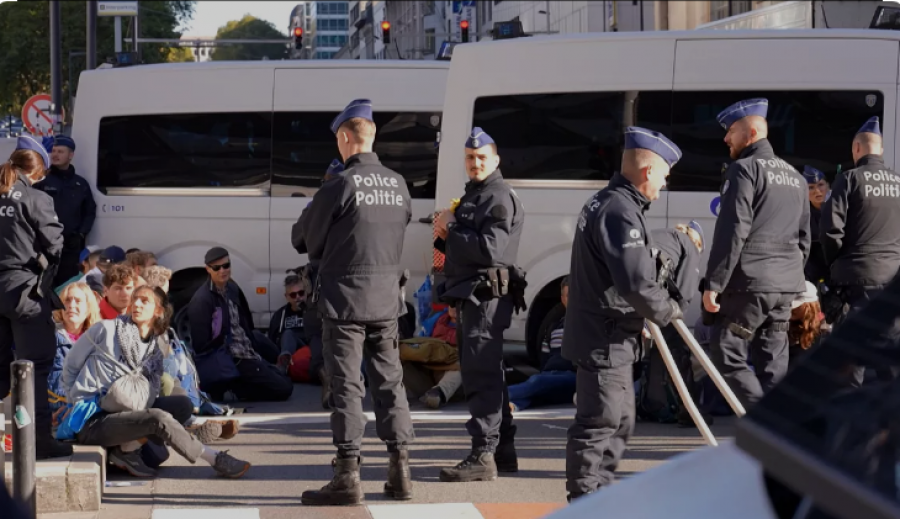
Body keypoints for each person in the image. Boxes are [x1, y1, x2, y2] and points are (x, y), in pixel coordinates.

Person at [292, 101, 414, 506]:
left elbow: (303, 238)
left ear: (346, 138)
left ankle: (347, 474)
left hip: (344, 302)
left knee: (347, 386)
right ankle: (400, 471)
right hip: (387, 302)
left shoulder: (341, 185)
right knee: (390, 385)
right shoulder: (398, 183)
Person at [562, 127, 684, 501]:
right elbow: (634, 283)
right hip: (604, 338)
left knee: (621, 421)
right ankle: (584, 502)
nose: (664, 185)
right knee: (599, 425)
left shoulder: (610, 202)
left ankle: (599, 496)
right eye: (664, 175)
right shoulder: (620, 210)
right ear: (648, 171)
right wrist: (669, 311)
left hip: (611, 336)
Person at [61, 286, 251, 478]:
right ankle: (215, 458)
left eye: (145, 301)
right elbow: (69, 366)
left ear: (158, 311)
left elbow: (149, 394)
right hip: (92, 421)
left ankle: (127, 450)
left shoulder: (154, 349)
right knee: (158, 418)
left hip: (124, 413)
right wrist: (71, 402)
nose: (136, 304)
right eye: (135, 299)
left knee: (181, 405)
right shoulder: (106, 330)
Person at [702, 98, 809, 409]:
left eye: (731, 131)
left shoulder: (743, 170)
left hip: (749, 284)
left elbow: (732, 231)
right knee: (773, 363)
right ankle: (778, 436)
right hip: (784, 286)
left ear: (750, 132)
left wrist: (714, 284)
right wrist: (788, 277)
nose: (725, 139)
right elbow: (805, 238)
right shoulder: (796, 177)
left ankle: (764, 423)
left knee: (726, 351)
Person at [433, 127, 525, 483]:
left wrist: (452, 228)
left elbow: (490, 251)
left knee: (481, 376)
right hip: (474, 296)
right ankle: (502, 451)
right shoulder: (478, 194)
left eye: (482, 158)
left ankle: (483, 453)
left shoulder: (497, 196)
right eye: (470, 158)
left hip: (486, 299)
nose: (475, 163)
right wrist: (446, 236)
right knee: (489, 375)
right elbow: (465, 252)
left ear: (495, 160)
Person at [0, 135, 73, 459]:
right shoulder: (35, 198)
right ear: (39, 169)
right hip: (24, 293)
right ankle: (39, 440)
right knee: (35, 368)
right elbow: (55, 246)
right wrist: (44, 279)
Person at [820, 116, 900, 385]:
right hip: (892, 279)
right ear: (881, 150)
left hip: (856, 279)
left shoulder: (849, 179)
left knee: (851, 352)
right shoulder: (898, 182)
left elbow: (831, 231)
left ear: (856, 148)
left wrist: (837, 265)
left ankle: (850, 414)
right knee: (890, 347)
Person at [187, 247, 293, 402]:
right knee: (285, 388)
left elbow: (245, 322)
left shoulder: (232, 288)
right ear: (208, 269)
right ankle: (239, 387)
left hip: (247, 347)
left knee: (282, 374)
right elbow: (201, 344)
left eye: (226, 265)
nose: (223, 270)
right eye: (217, 268)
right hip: (233, 356)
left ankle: (249, 379)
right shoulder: (202, 300)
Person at [36, 135, 96, 287]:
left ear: (71, 155)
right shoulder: (42, 180)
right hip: (45, 246)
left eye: (60, 151)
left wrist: (81, 234)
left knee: (67, 287)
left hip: (70, 248)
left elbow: (89, 211)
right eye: (54, 151)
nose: (55, 155)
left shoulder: (80, 184)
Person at [509, 277, 574, 412]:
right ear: (563, 299)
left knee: (537, 382)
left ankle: (492, 396)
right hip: (549, 375)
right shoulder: (553, 327)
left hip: (573, 376)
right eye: (568, 296)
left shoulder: (588, 325)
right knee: (541, 388)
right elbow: (544, 357)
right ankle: (514, 405)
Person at [268, 273, 308, 374]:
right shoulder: (280, 315)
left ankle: (283, 365)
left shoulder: (313, 312)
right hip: (284, 351)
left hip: (306, 350)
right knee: (257, 336)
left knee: (289, 334)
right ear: (287, 297)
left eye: (301, 293)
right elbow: (272, 340)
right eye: (293, 295)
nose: (298, 297)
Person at [787, 281, 825, 370]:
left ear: (808, 306)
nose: (792, 309)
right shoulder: (785, 320)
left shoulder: (822, 328)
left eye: (797, 306)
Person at [802, 166, 830, 286]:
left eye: (821, 185)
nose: (817, 191)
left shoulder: (839, 210)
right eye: (811, 187)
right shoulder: (802, 213)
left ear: (828, 186)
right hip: (811, 275)